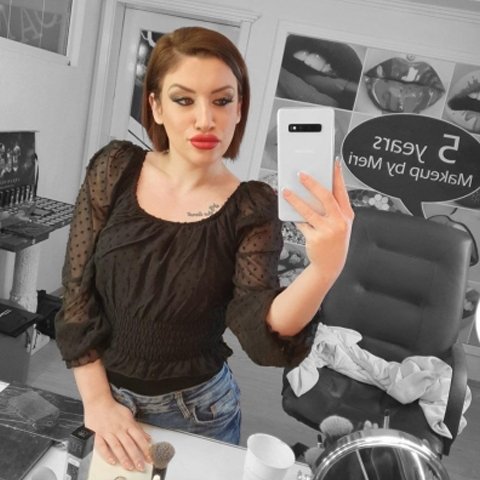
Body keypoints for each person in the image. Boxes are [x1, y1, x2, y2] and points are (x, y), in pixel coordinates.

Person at [55, 26, 354, 473]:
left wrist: (324, 269)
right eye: (183, 100)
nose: (204, 119)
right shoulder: (113, 168)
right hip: (103, 397)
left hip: (198, 411)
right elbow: (77, 291)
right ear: (156, 106)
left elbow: (260, 331)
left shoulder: (252, 206)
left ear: (239, 109)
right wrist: (97, 400)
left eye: (221, 100)